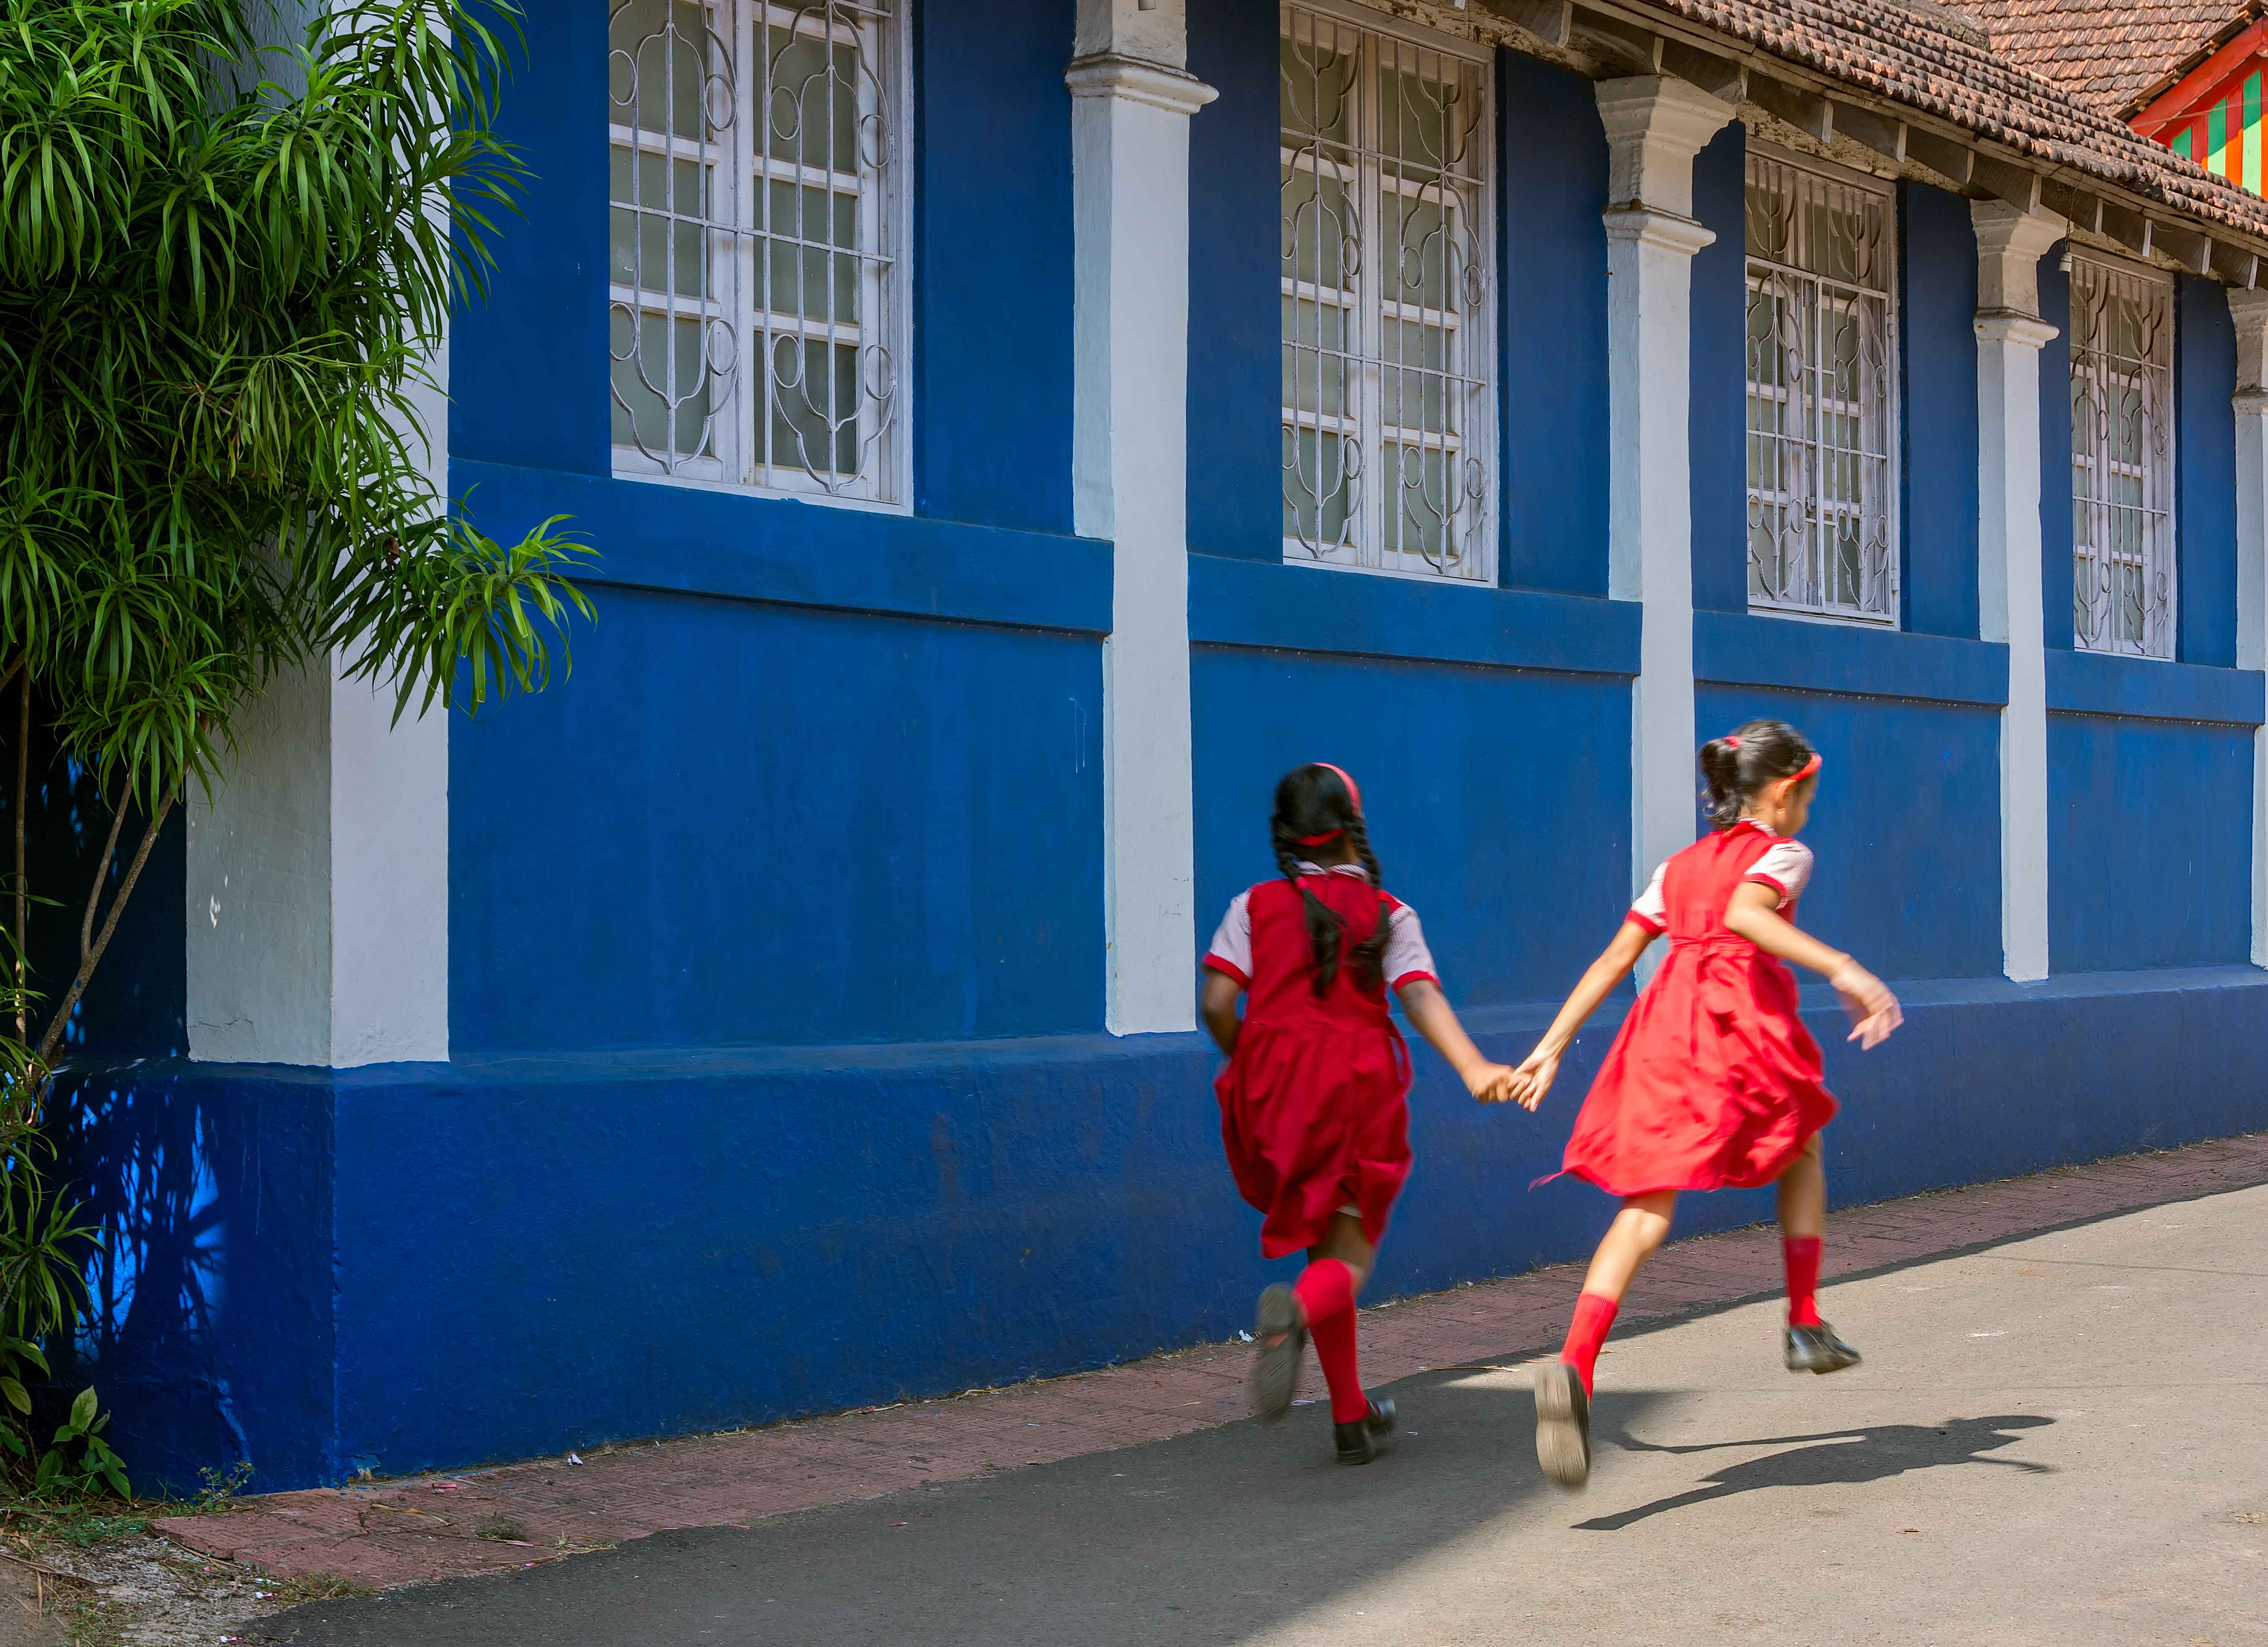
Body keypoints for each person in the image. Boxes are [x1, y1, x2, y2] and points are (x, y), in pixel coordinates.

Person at [1502, 720, 1903, 1489]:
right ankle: (1804, 1318)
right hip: (1734, 1031)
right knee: (1804, 1140)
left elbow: (1616, 957)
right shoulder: (1784, 853)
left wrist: (1551, 1046)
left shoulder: (1677, 867)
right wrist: (1846, 969)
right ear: (1783, 792)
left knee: (1646, 1209)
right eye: (1808, 796)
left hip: (1663, 1035)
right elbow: (1748, 917)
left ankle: (1575, 1363)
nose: (1808, 812)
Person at [1201, 763, 1514, 1466]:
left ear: (1286, 834)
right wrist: (1473, 1066)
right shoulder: (1389, 912)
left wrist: (1253, 1060)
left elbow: (1218, 1003)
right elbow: (1419, 993)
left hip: (1275, 1092)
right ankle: (1292, 1315)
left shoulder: (1252, 905)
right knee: (1350, 1253)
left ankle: (1351, 1417)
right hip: (1355, 1089)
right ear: (1354, 826)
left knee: (1321, 1244)